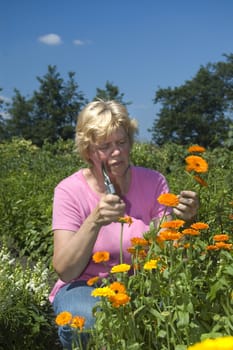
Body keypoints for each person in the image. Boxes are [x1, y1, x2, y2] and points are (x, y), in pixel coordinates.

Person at [50, 100, 199, 349]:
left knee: (179, 308)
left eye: (121, 142)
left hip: (142, 283)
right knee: (88, 320)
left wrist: (185, 223)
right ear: (88, 152)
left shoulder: (153, 182)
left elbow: (167, 255)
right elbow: (65, 270)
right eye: (105, 146)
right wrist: (95, 220)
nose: (116, 152)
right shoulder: (69, 190)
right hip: (85, 285)